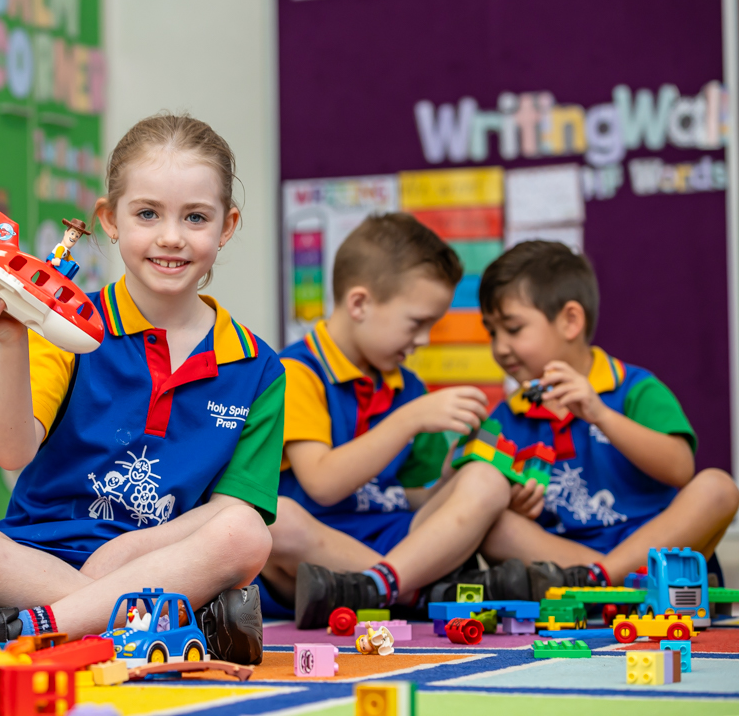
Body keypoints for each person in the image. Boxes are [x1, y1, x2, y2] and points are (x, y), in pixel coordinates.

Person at [0, 114, 284, 664]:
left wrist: (129, 548)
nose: (170, 236)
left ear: (227, 226)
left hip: (157, 560)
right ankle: (163, 623)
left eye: (195, 217)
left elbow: (233, 511)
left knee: (250, 535)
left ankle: (24, 627)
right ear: (110, 220)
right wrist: (11, 344)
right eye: (147, 213)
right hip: (35, 557)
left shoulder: (260, 367)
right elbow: (11, 451)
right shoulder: (66, 327)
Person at [262, 213, 546, 630]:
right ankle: (419, 591)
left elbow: (421, 502)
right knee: (274, 520)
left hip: (394, 545)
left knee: (487, 481)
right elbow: (322, 485)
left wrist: (457, 473)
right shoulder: (296, 373)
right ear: (359, 304)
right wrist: (408, 420)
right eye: (417, 323)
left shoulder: (408, 387)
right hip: (315, 551)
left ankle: (383, 588)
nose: (424, 340)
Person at [477, 241, 739, 589]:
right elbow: (477, 490)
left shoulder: (636, 388)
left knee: (718, 487)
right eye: (491, 332)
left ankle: (604, 578)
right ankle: (605, 579)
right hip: (569, 556)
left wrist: (600, 414)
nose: (499, 347)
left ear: (571, 321)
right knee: (486, 520)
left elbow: (680, 469)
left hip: (651, 545)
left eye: (512, 329)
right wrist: (513, 503)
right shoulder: (508, 414)